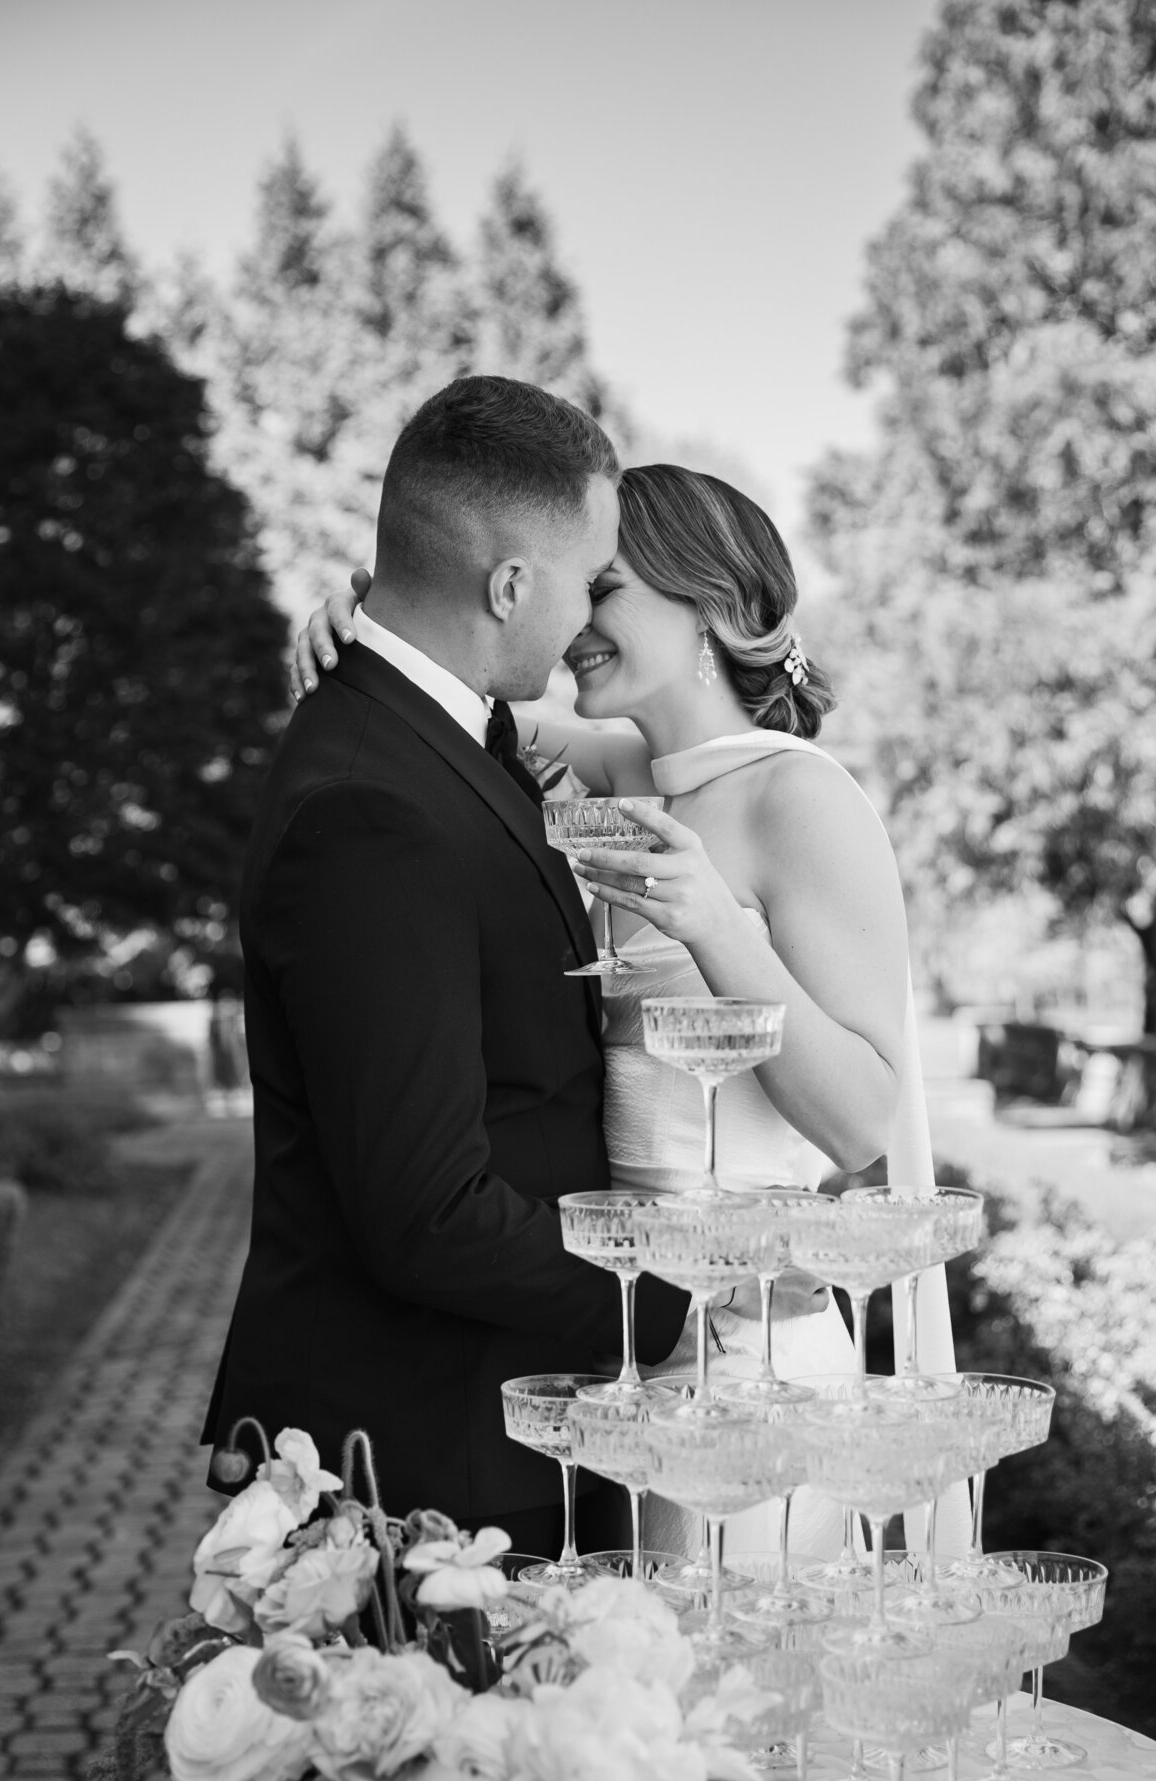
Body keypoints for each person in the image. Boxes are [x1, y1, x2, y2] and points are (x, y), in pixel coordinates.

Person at [295, 461, 969, 1559]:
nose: (572, 623)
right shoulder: (628, 771)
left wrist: (716, 927)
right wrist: (365, 624)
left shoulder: (804, 797)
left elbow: (863, 1124)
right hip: (617, 1343)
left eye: (602, 590)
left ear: (709, 606)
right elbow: (443, 703)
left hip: (749, 1356)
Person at [203, 377, 690, 1556]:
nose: (586, 616)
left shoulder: (435, 736)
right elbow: (427, 1211)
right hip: (434, 1467)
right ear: (509, 586)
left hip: (490, 1426)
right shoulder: (370, 804)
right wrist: (672, 1304)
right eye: (587, 579)